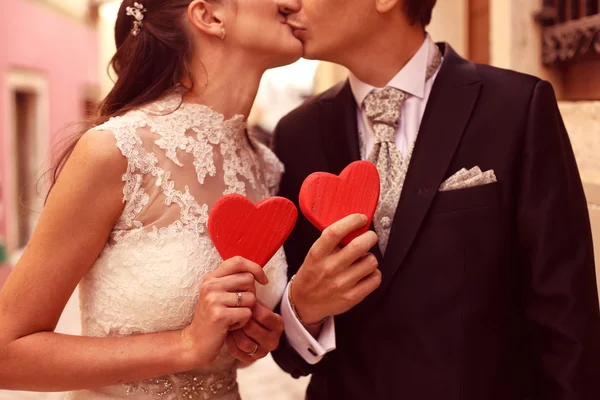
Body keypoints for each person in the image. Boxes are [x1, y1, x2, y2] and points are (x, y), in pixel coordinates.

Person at [0, 1, 380, 399]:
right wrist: (183, 344)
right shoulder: (118, 151)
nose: (290, 2)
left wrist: (251, 342)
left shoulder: (266, 167)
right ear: (210, 16)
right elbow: (8, 352)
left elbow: (224, 352)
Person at [268, 0, 600, 399]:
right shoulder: (296, 133)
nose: (288, 3)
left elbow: (567, 317)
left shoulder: (517, 107)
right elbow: (290, 357)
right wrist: (303, 307)